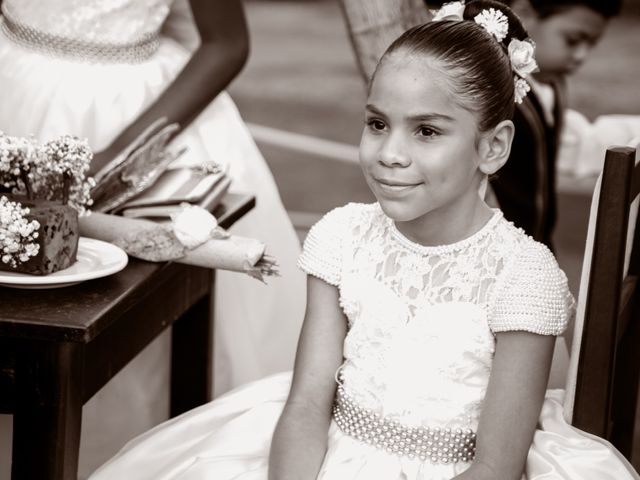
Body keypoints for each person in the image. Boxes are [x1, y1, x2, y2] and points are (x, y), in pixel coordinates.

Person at [88, 2, 639, 478]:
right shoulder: (344, 237)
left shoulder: (524, 276)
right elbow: (307, 403)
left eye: (426, 131)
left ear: (492, 148)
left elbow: (496, 466)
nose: (389, 152)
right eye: (377, 123)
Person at [0, 0, 305, 477]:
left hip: (130, 113)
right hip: (11, 92)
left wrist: (122, 156)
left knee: (107, 309)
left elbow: (227, 43)